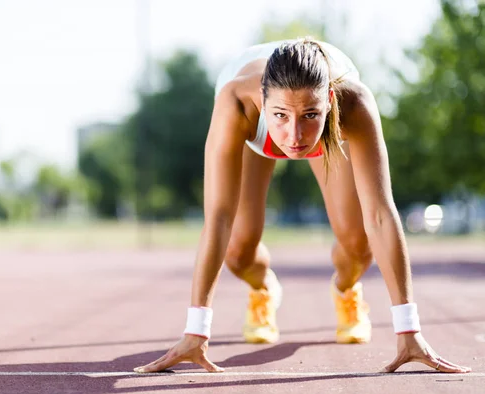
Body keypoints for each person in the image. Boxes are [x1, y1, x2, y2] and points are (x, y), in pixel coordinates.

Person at [134, 38, 471, 374]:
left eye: (310, 115)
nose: (294, 135)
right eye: (280, 115)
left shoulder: (354, 103)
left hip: (330, 127)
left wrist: (408, 329)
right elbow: (219, 217)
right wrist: (196, 330)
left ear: (329, 101)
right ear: (263, 101)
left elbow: (381, 215)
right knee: (237, 251)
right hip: (255, 136)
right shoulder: (236, 101)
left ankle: (346, 288)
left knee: (357, 243)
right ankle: (262, 287)